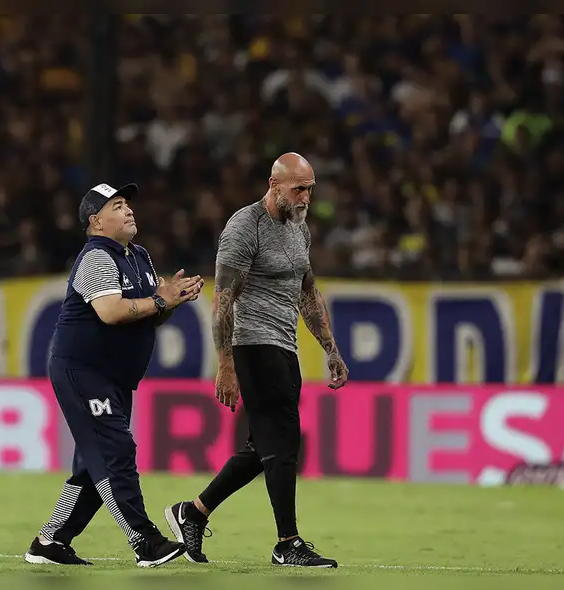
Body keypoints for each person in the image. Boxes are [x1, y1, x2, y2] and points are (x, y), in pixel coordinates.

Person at [163, 153, 349, 568]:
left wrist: (331, 349)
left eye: (310, 189)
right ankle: (288, 541)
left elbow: (307, 293)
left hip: (285, 347)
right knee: (282, 442)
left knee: (264, 446)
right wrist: (225, 364)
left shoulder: (300, 230)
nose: (305, 198)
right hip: (251, 344)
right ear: (274, 184)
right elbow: (223, 301)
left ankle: (192, 511)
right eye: (298, 189)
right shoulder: (244, 227)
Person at [26, 182, 205, 568]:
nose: (129, 211)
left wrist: (172, 298)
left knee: (94, 464)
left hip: (114, 376)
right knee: (115, 451)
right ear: (96, 222)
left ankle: (50, 541)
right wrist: (160, 298)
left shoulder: (138, 255)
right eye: (118, 206)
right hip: (82, 370)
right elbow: (111, 311)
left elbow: (152, 313)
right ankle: (145, 541)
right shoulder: (95, 257)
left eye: (128, 205)